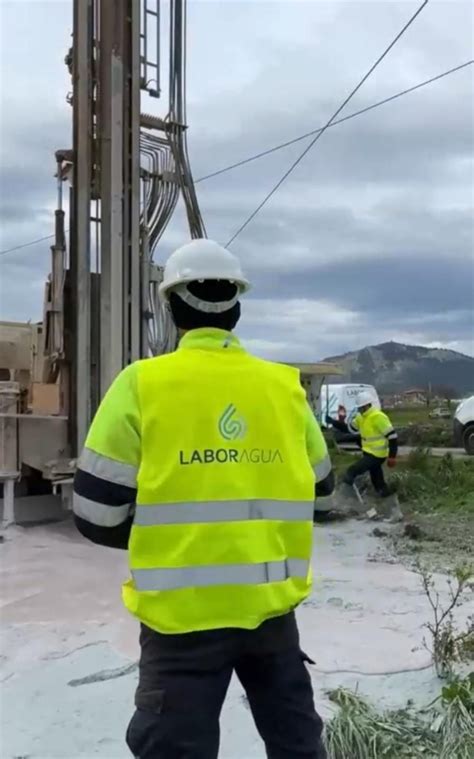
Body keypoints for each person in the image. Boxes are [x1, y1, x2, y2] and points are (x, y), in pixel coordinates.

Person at [73, 238, 334, 759]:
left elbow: (96, 515)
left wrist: (175, 540)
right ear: (235, 308)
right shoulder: (284, 388)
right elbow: (322, 499)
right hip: (271, 616)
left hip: (180, 623)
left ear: (171, 307)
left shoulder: (141, 385)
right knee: (296, 744)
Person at [327, 390, 398, 498]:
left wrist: (392, 456)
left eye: (361, 407)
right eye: (358, 408)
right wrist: (333, 422)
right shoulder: (361, 417)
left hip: (377, 455)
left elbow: (392, 437)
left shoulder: (378, 416)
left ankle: (347, 498)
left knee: (352, 471)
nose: (359, 410)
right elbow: (349, 429)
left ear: (367, 405)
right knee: (377, 480)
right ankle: (386, 497)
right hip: (368, 453)